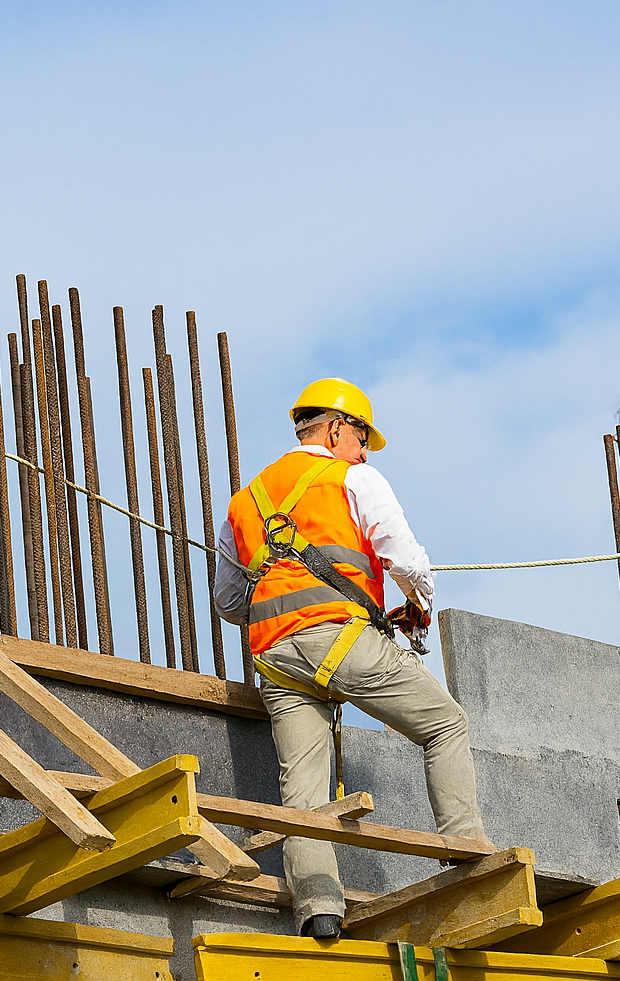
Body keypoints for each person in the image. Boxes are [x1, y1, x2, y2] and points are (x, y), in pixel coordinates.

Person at [213, 377, 489, 940]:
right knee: (445, 724)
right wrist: (420, 603)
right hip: (340, 641)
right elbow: (404, 558)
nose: (364, 451)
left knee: (303, 790)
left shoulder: (245, 501)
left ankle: (319, 908)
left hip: (276, 657)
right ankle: (466, 854)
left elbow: (229, 602)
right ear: (338, 429)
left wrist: (288, 597)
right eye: (362, 438)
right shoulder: (353, 477)